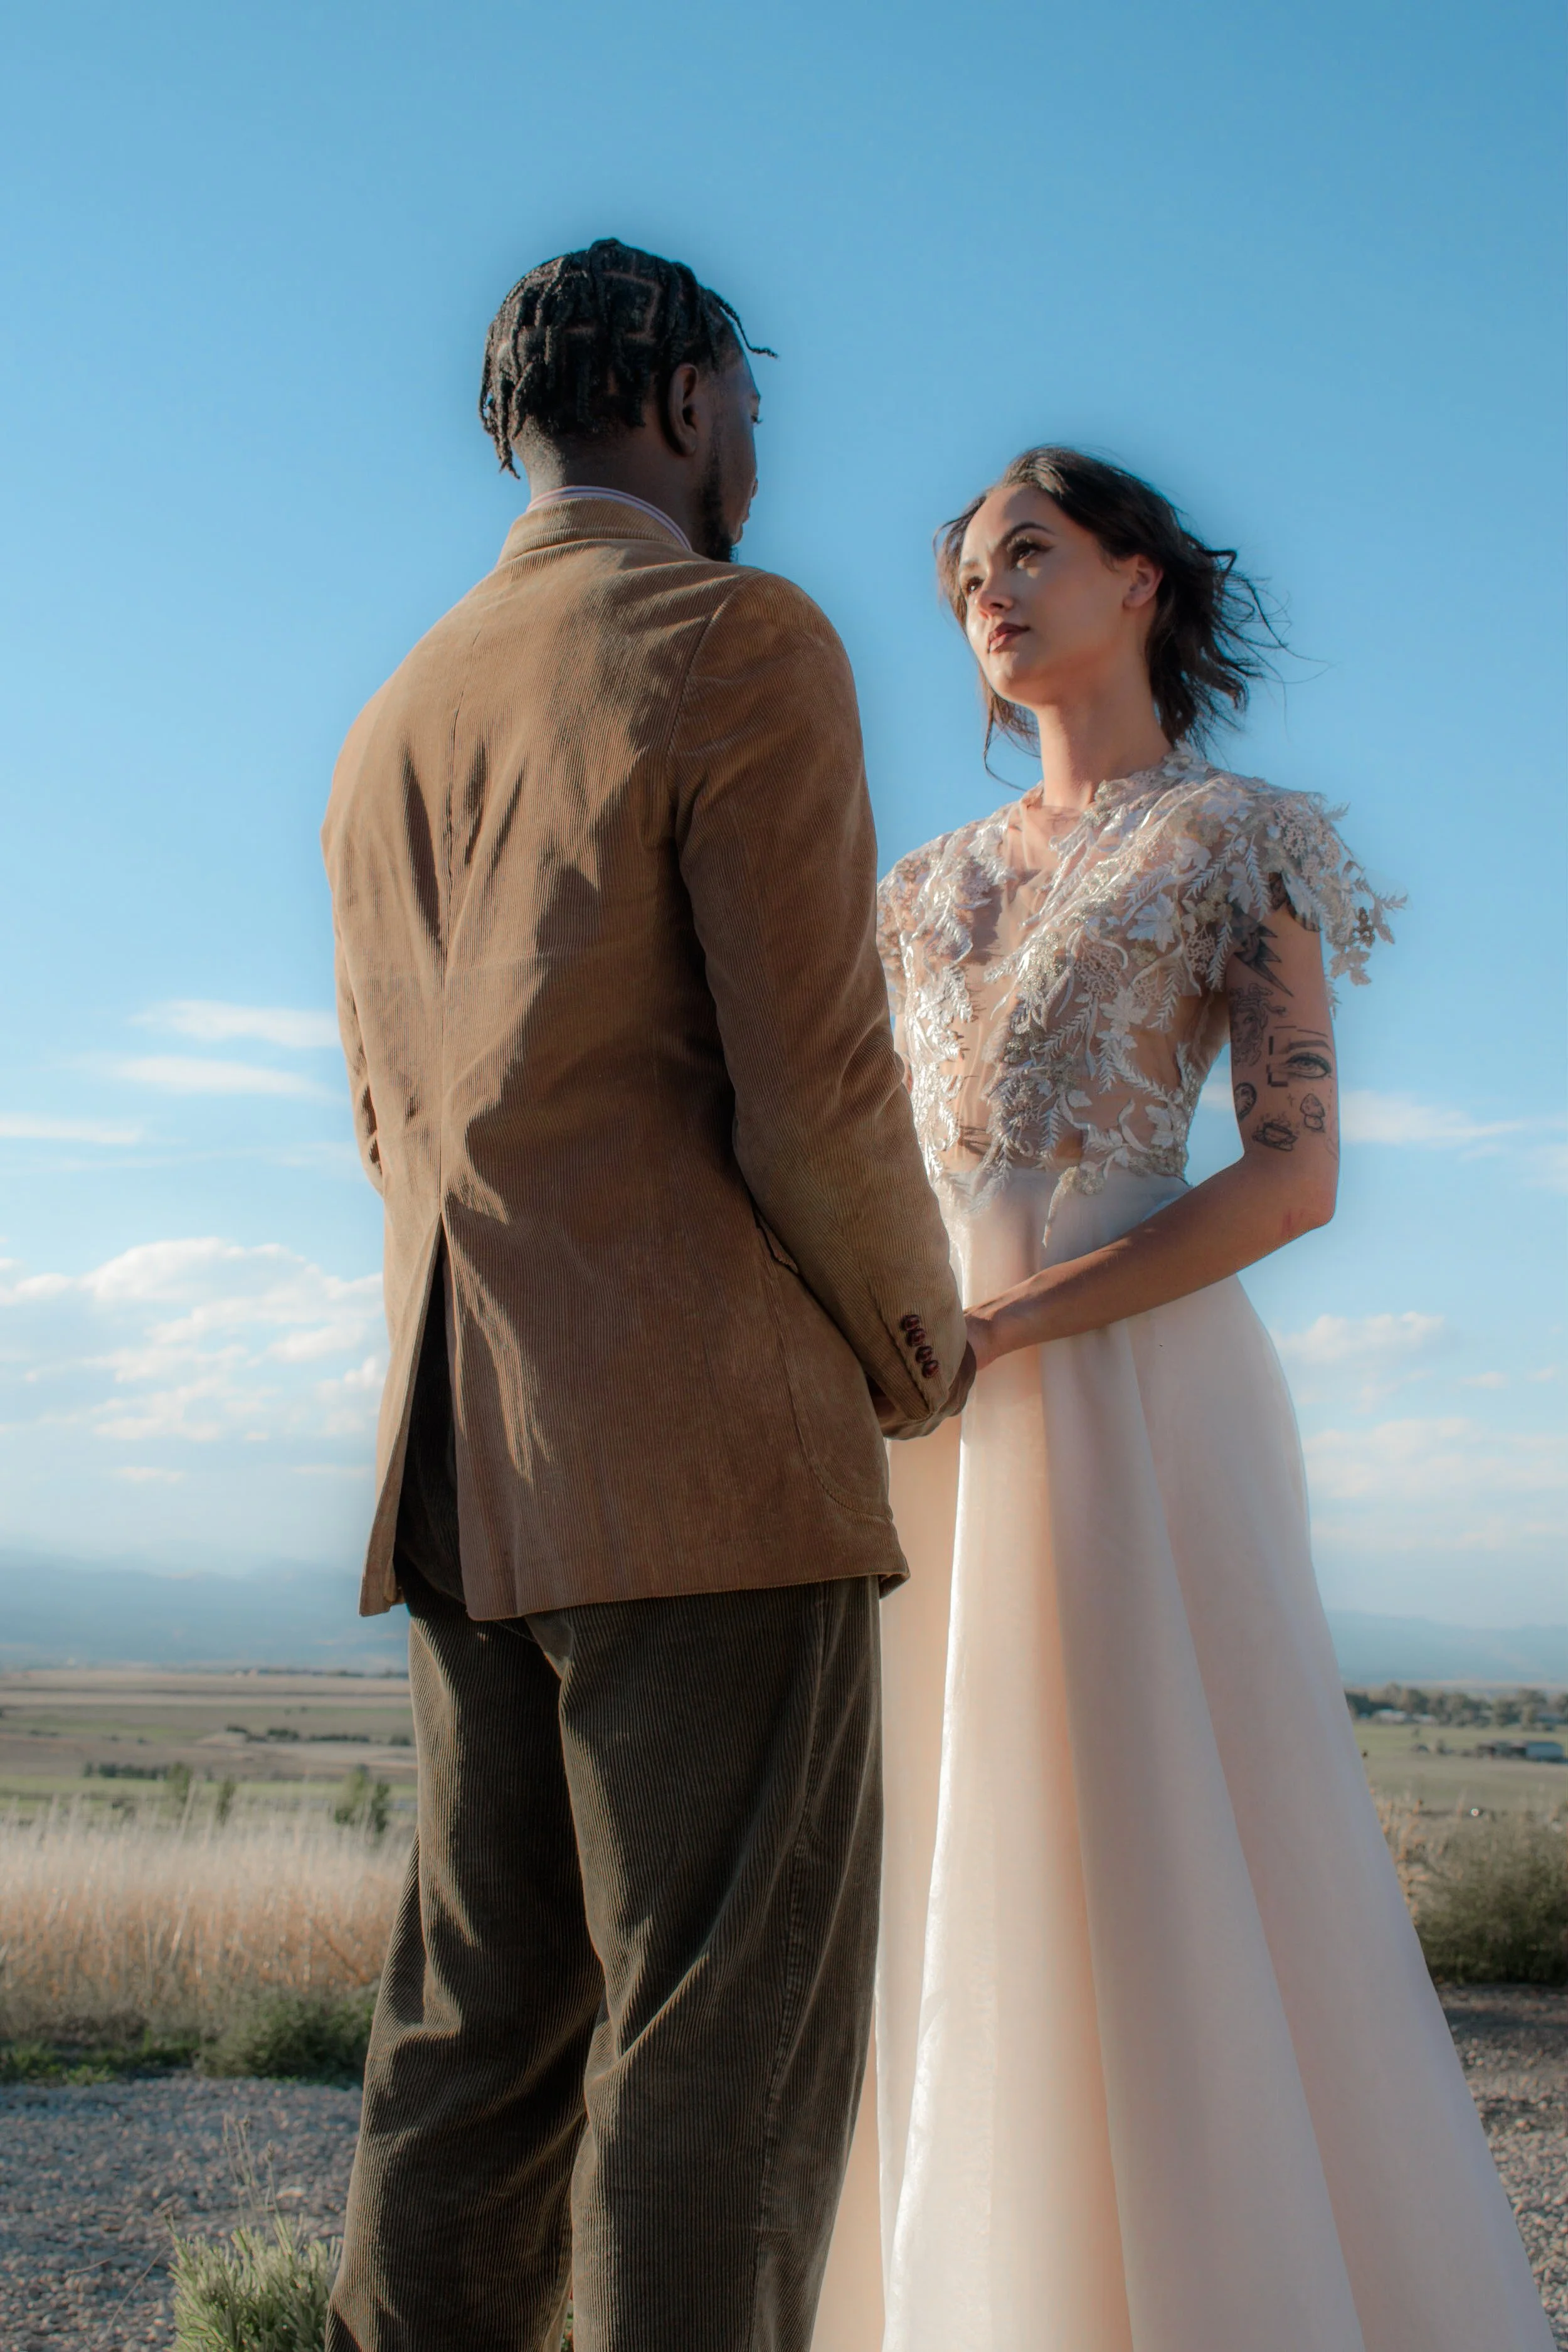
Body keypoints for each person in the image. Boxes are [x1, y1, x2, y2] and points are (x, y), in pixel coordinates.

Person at [812, 447, 1552, 2350]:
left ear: (1138, 576)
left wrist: (1014, 1326)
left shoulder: (1240, 837)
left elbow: (1294, 1180)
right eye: (966, 579)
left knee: (1169, 1835)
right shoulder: (919, 885)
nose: (989, 595)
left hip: (1137, 1396)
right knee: (946, 1842)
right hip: (930, 1415)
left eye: (1030, 552)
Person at [320, 238, 972, 2352]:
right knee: (719, 2052)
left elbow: (386, 1126)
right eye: (750, 407)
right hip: (700, 1455)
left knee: (473, 2032)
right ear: (689, 401)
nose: (758, 451)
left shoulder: (390, 718)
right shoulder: (733, 632)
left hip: (457, 1457)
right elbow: (819, 1090)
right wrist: (915, 1348)